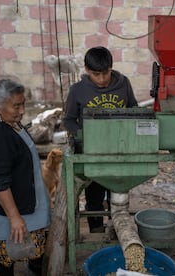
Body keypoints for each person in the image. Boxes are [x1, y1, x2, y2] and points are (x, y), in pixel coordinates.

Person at [0, 79, 51, 275]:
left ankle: (34, 268)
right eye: (16, 106)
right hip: (1, 208)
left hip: (22, 201)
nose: (22, 110)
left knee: (30, 247)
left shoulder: (10, 123)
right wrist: (14, 217)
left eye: (23, 103)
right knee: (6, 254)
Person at [63, 46, 138, 233]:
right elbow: (69, 120)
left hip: (119, 152)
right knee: (94, 197)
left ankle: (117, 232)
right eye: (97, 74)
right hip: (92, 155)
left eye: (106, 73)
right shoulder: (78, 90)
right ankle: (96, 232)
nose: (102, 79)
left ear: (111, 68)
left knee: (119, 195)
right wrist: (84, 137)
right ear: (87, 71)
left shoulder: (124, 84)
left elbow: (134, 110)